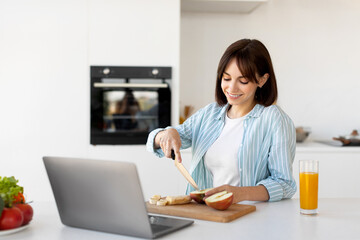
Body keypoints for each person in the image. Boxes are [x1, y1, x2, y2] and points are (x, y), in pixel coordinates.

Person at [146, 39, 296, 203]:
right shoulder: (209, 114)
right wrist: (166, 134)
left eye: (243, 81)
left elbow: (284, 184)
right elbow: (164, 139)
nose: (232, 88)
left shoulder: (273, 119)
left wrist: (240, 193)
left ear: (262, 80)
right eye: (226, 78)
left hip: (252, 216)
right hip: (207, 214)